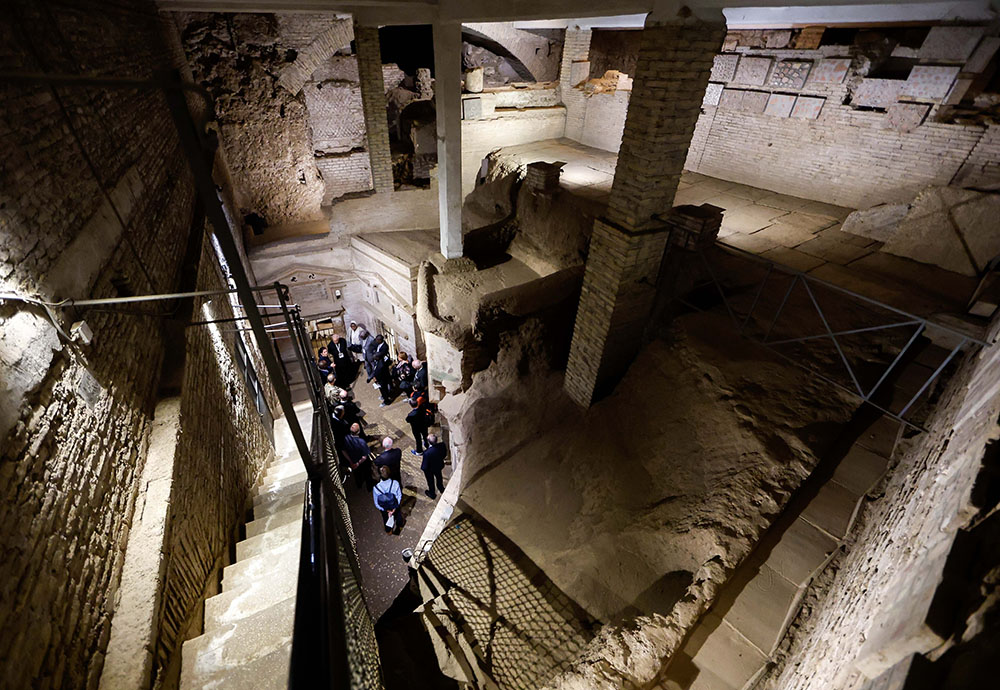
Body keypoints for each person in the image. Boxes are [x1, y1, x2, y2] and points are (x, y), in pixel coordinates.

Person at [372, 465, 402, 534]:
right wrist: (394, 508)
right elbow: (399, 496)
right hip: (394, 504)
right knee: (398, 515)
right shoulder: (395, 483)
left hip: (384, 507)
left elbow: (376, 503)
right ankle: (399, 524)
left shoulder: (376, 488)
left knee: (386, 518)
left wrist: (385, 510)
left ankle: (389, 530)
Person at [344, 423, 374, 490]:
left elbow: (344, 451)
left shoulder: (346, 438)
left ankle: (359, 484)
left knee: (357, 474)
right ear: (359, 432)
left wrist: (351, 461)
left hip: (353, 460)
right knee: (368, 474)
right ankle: (369, 487)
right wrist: (358, 463)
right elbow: (364, 456)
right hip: (362, 462)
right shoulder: (361, 442)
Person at [421, 433, 447, 499]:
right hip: (438, 466)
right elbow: (444, 454)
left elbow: (424, 466)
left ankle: (432, 493)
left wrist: (424, 469)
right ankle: (441, 488)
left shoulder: (427, 453)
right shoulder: (442, 445)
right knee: (439, 477)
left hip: (430, 470)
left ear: (429, 442)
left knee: (430, 481)